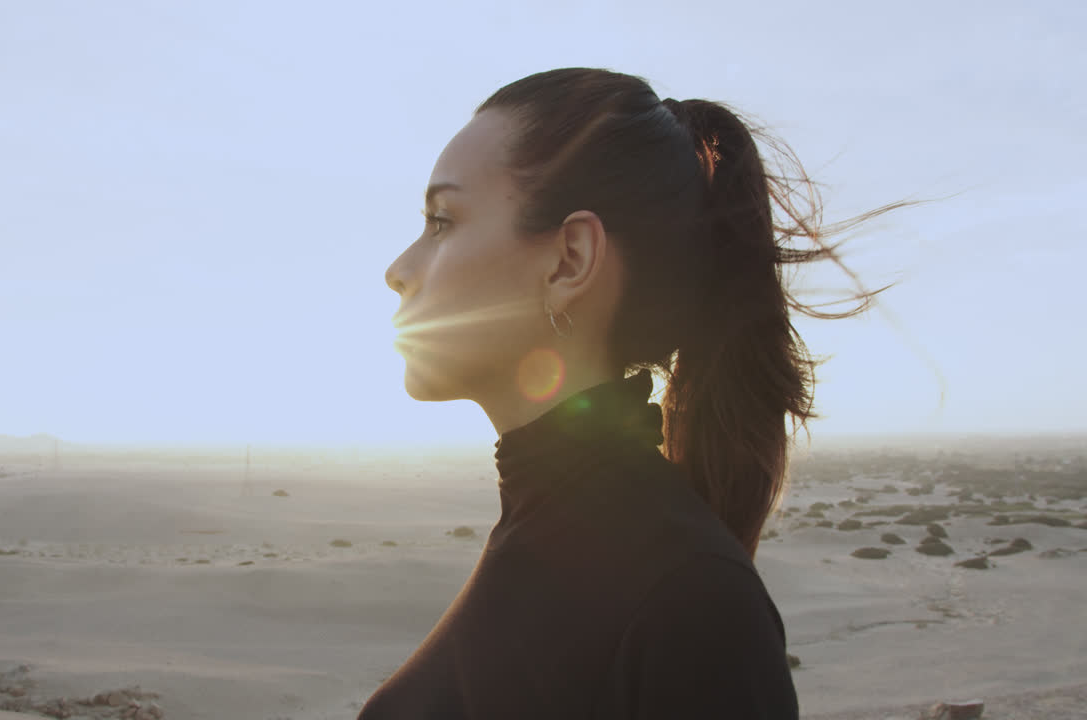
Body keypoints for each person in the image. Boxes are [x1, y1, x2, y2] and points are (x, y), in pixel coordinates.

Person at [366, 67, 906, 719]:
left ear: (570, 260)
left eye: (442, 221)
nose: (398, 270)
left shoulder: (691, 602)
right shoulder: (563, 539)